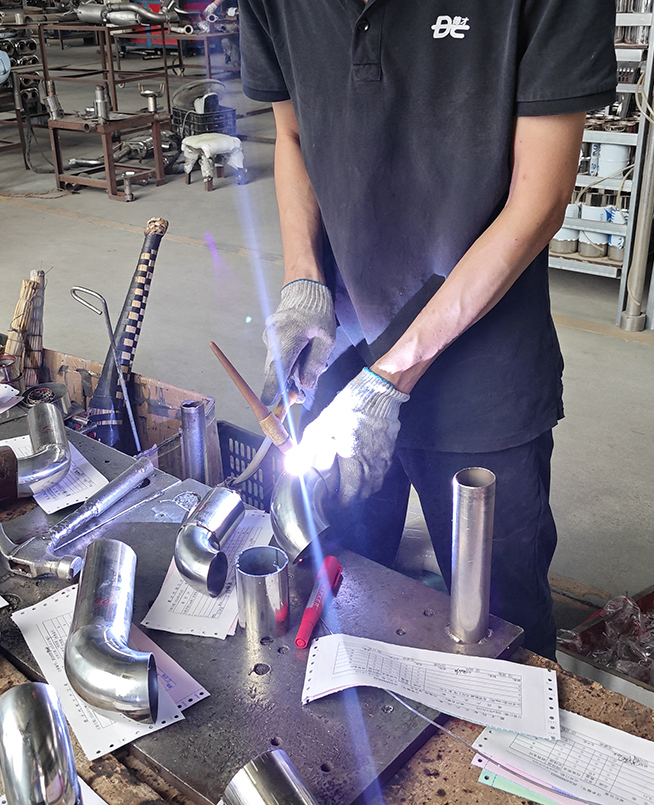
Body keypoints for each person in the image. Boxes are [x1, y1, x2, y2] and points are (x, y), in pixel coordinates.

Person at [242, 0, 616, 658]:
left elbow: (542, 196)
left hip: (484, 375)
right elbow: (293, 135)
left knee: (501, 626)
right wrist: (305, 283)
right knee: (344, 591)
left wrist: (393, 376)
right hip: (344, 359)